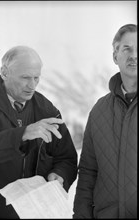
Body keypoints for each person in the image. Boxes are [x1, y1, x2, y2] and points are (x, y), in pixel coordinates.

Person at [0, 45, 78, 219]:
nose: (32, 85)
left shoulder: (47, 110)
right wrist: (23, 134)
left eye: (37, 78)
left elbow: (66, 158)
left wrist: (60, 175)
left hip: (30, 213)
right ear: (5, 73)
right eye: (25, 78)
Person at [73, 24, 137, 219]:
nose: (134, 55)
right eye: (127, 49)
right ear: (115, 56)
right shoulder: (99, 110)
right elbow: (88, 173)